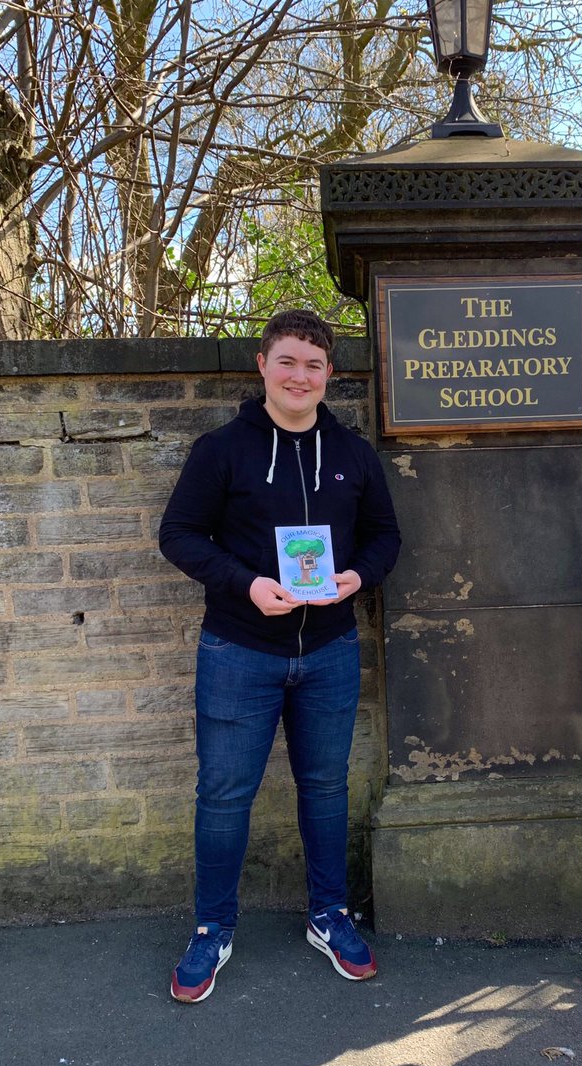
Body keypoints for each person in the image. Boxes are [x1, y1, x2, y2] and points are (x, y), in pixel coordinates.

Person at [159, 309, 401, 1002]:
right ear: (262, 365)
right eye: (288, 361)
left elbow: (385, 538)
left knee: (325, 788)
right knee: (225, 793)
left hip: (329, 651)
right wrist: (246, 583)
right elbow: (178, 535)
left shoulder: (354, 455)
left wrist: (357, 578)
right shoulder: (222, 449)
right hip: (238, 651)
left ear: (330, 375)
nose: (301, 376)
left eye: (314, 365)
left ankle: (329, 915)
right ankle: (212, 928)